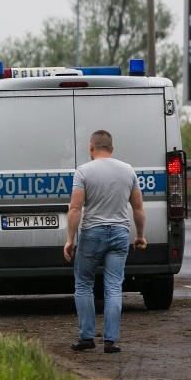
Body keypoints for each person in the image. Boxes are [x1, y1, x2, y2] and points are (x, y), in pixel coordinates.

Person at [63, 130, 146, 354]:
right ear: (112, 148)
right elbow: (138, 207)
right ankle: (110, 341)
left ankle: (87, 337)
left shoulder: (84, 172)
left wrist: (70, 239)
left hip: (93, 234)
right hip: (120, 234)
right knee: (113, 287)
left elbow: (75, 208)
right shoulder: (128, 170)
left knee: (83, 284)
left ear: (91, 148)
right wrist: (140, 235)